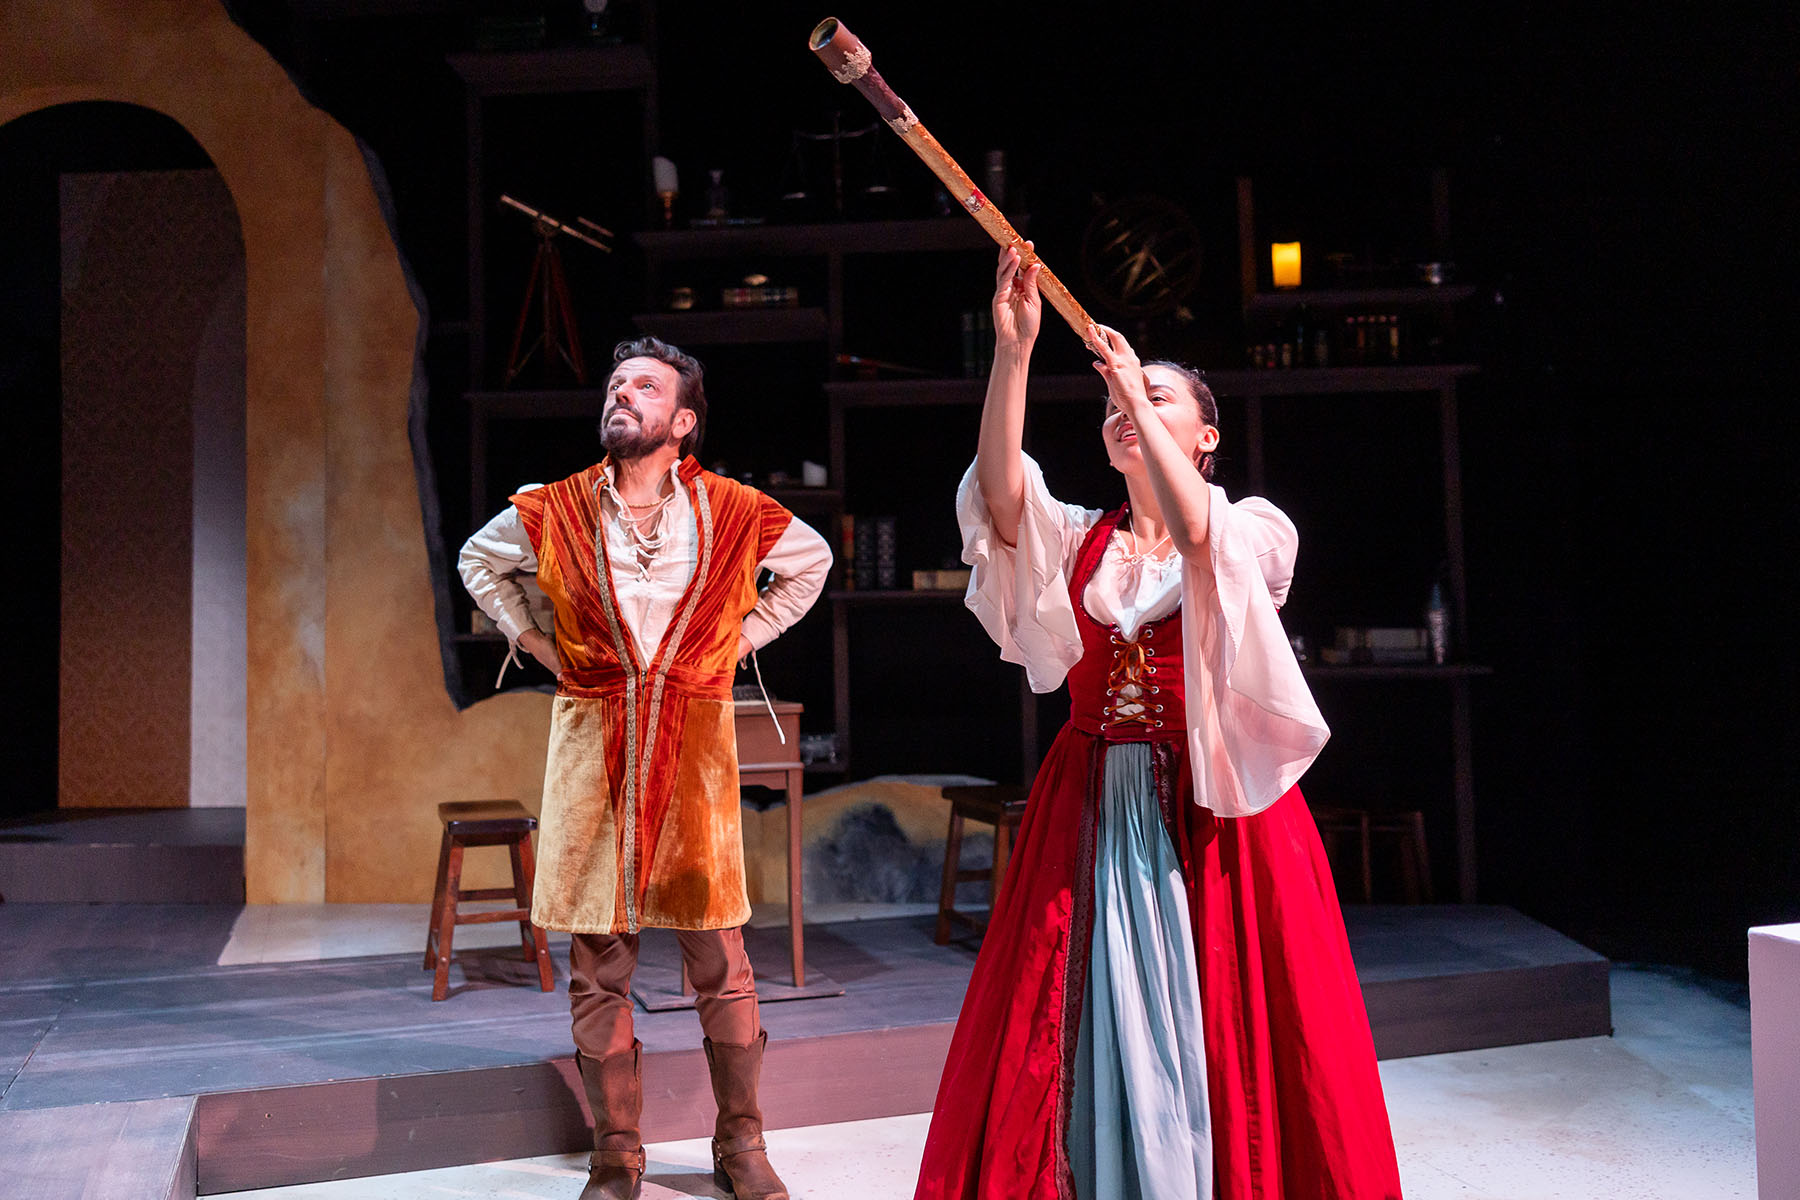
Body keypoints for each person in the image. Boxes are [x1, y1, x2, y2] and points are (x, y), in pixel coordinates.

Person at [913, 247, 1403, 1199]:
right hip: (1092, 794)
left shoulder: (1252, 526)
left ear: (1206, 437)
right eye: (1114, 404)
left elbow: (1200, 536)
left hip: (1212, 803)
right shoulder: (1079, 539)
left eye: (1155, 398)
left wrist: (1133, 387)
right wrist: (1014, 351)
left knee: (1224, 1002)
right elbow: (1002, 501)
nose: (1125, 408)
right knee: (1078, 998)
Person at [459, 336, 831, 1200]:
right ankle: (615, 1153)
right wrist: (534, 642)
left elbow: (809, 564)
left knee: (721, 957)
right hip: (595, 747)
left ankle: (740, 1144)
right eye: (617, 384)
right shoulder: (554, 507)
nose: (623, 394)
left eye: (646, 387)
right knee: (598, 960)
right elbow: (479, 559)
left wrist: (741, 640)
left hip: (694, 752)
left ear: (683, 421)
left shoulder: (734, 509)